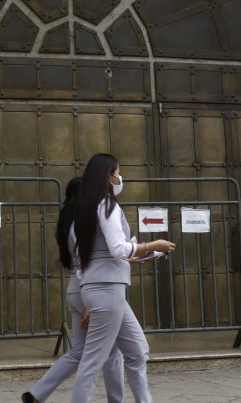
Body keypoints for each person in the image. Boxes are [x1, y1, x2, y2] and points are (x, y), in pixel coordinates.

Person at [69, 154, 176, 403]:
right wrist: (151, 244)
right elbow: (118, 248)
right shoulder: (107, 205)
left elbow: (88, 257)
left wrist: (142, 255)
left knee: (137, 350)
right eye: (118, 172)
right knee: (93, 360)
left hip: (102, 289)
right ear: (108, 176)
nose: (120, 177)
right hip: (107, 291)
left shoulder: (85, 210)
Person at [22, 178, 125, 403]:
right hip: (91, 286)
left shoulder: (67, 222)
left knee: (81, 351)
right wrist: (92, 304)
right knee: (108, 352)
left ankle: (36, 394)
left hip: (75, 288)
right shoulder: (85, 223)